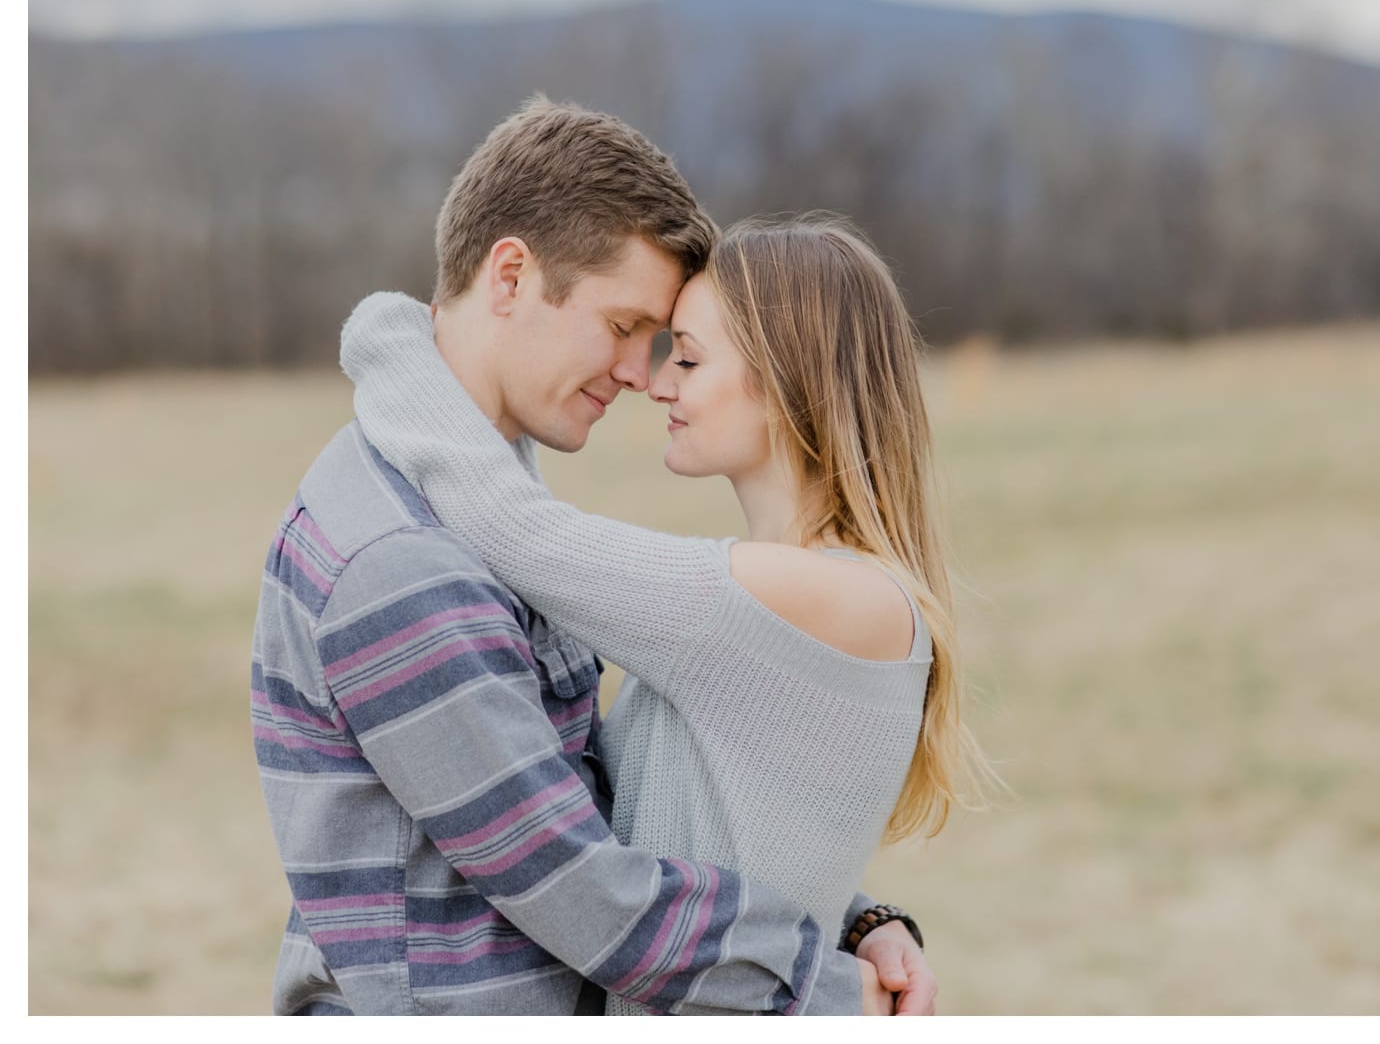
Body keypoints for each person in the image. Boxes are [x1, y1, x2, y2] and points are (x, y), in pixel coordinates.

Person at [250, 96, 935, 1016]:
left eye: (673, 351)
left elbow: (628, 812)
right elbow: (578, 885)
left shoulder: (486, 509)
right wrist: (823, 985)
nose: (640, 373)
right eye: (624, 329)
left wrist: (846, 920)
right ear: (510, 277)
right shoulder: (405, 559)